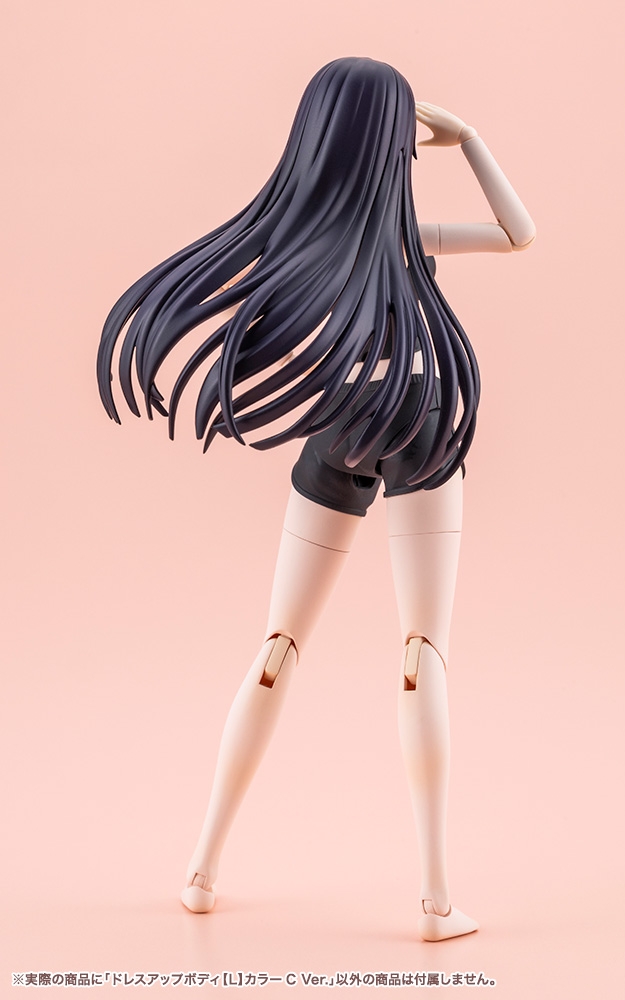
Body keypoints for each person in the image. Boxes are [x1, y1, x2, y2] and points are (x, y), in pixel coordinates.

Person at [98, 57, 535, 941]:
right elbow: (516, 233)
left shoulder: (295, 235)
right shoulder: (405, 233)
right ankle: (434, 901)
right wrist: (467, 140)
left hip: (342, 425)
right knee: (421, 651)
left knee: (278, 646)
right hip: (420, 417)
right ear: (394, 142)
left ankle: (201, 871)